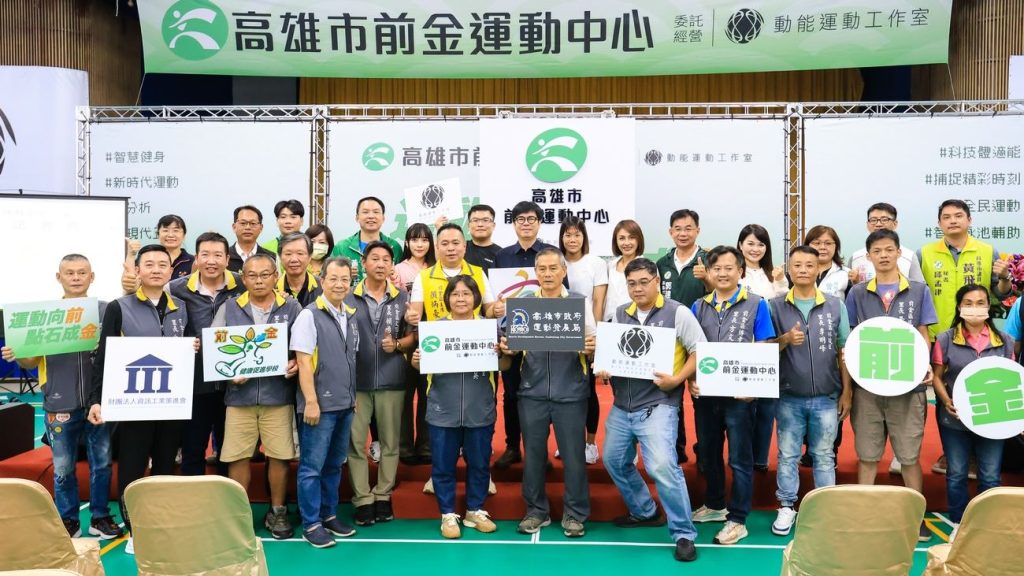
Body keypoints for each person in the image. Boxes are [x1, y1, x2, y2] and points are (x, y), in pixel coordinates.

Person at [0, 255, 122, 540]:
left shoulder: (106, 310)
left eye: (82, 272)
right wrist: (17, 354)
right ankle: (68, 520)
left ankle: (100, 517)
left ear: (92, 277)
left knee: (102, 463)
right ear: (59, 277)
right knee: (63, 467)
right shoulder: (45, 316)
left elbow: (119, 350)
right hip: (58, 401)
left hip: (99, 403)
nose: (76, 277)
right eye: (70, 273)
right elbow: (30, 361)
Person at [87, 244, 195, 554]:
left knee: (164, 466)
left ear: (171, 271)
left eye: (162, 264)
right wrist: (97, 399)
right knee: (132, 468)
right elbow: (104, 356)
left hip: (171, 404)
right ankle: (136, 528)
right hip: (133, 406)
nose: (156, 269)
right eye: (149, 264)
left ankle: (158, 523)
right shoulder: (119, 307)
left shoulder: (181, 307)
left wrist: (194, 348)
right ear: (137, 270)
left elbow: (185, 349)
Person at [595, 257, 705, 563]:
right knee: (614, 460)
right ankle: (645, 510)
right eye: (632, 283)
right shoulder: (620, 313)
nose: (638, 288)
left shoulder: (677, 312)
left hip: (659, 403)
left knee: (662, 466)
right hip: (622, 405)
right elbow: (610, 353)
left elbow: (699, 350)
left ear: (657, 281)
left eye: (644, 282)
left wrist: (678, 380)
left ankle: (683, 533)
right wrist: (603, 366)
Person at [846, 229, 939, 542]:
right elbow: (852, 337)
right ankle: (863, 515)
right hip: (868, 387)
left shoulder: (918, 290)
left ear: (899, 252)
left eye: (889, 249)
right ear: (868, 256)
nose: (883, 255)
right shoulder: (858, 293)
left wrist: (925, 363)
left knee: (909, 456)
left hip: (908, 387)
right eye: (877, 251)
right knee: (867, 454)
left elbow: (923, 331)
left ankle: (916, 515)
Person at [500, 248, 596, 538]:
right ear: (535, 273)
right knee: (533, 456)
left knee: (574, 457)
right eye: (542, 269)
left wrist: (591, 348)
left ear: (564, 271)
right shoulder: (524, 304)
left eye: (554, 268)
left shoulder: (579, 303)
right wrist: (508, 347)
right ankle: (535, 511)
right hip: (532, 392)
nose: (548, 274)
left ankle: (575, 513)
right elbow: (512, 345)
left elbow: (594, 345)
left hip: (571, 393)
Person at [211, 253, 302, 540]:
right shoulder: (229, 307)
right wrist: (228, 374)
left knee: (279, 456)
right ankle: (239, 515)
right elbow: (215, 349)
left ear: (276, 277)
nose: (259, 280)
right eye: (252, 275)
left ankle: (278, 511)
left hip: (279, 396)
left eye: (265, 274)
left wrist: (296, 363)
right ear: (244, 278)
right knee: (238, 457)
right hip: (240, 398)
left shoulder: (292, 306)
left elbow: (304, 346)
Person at [918, 199, 1012, 476]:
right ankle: (951, 451)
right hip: (938, 335)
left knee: (979, 388)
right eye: (946, 217)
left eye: (958, 215)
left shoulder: (987, 251)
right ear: (939, 223)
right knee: (944, 393)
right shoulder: (925, 253)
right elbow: (918, 294)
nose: (952, 221)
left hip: (978, 333)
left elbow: (1001, 293)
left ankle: (977, 452)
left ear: (969, 220)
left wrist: (1004, 277)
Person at [690, 245, 776, 546]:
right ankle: (715, 505)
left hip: (740, 398)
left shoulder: (756, 303)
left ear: (741, 271)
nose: (723, 273)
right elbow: (690, 348)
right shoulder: (698, 306)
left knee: (740, 459)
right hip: (706, 396)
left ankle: (738, 519)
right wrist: (692, 380)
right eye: (717, 268)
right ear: (709, 273)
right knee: (709, 453)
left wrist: (754, 388)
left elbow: (765, 345)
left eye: (729, 268)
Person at [411, 275, 509, 539]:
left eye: (466, 294)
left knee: (479, 463)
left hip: (480, 408)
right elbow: (419, 366)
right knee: (443, 465)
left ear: (476, 298)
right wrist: (417, 360)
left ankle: (474, 510)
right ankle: (447, 514)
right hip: (443, 409)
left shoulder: (489, 328)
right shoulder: (435, 329)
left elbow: (505, 366)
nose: (461, 299)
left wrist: (503, 353)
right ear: (447, 299)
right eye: (455, 294)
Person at [768, 245, 852, 537]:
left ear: (818, 269)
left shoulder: (835, 305)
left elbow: (844, 350)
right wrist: (784, 339)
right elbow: (762, 349)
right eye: (797, 265)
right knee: (788, 454)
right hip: (788, 396)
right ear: (788, 269)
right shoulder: (774, 306)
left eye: (809, 265)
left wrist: (847, 392)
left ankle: (824, 508)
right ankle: (786, 506)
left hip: (827, 396)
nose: (803, 270)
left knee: (824, 454)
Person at [932, 284, 1016, 537]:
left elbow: (1012, 379)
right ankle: (958, 523)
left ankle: (987, 524)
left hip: (993, 420)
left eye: (980, 303)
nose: (974, 308)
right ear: (959, 307)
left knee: (990, 475)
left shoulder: (1004, 341)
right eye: (968, 303)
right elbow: (937, 376)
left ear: (989, 306)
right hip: (955, 420)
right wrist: (946, 400)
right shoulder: (946, 339)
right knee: (957, 472)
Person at [289, 257, 359, 548]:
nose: (339, 284)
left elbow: (349, 359)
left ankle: (329, 515)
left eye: (345, 280)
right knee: (311, 468)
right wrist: (311, 401)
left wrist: (352, 398)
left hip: (345, 403)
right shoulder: (309, 315)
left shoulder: (349, 314)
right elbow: (303, 362)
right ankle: (311, 523)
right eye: (333, 279)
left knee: (333, 465)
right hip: (319, 406)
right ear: (322, 281)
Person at [346, 241, 415, 527]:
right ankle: (362, 498)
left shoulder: (404, 297)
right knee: (355, 442)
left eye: (386, 259)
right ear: (364, 263)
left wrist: (397, 344)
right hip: (356, 382)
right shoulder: (348, 297)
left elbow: (414, 336)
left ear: (392, 265)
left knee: (390, 442)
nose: (380, 264)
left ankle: (383, 494)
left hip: (392, 379)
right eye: (374, 258)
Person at [169, 232, 244, 476]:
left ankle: (225, 495)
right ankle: (193, 497)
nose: (211, 261)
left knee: (229, 452)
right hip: (194, 383)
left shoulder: (243, 284)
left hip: (233, 383)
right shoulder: (176, 289)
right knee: (193, 448)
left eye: (218, 255)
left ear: (227, 259)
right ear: (196, 258)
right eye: (205, 255)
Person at [493, 201, 558, 469]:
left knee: (541, 395)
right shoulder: (502, 256)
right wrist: (496, 307)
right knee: (511, 394)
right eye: (520, 219)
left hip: (542, 335)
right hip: (511, 335)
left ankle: (538, 450)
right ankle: (512, 447)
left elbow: (562, 293)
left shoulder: (551, 254)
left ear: (540, 222)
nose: (526, 223)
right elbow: (495, 296)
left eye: (532, 218)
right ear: (514, 223)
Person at [657, 209, 710, 464]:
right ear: (670, 232)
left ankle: (704, 451)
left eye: (688, 228)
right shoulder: (662, 263)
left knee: (702, 398)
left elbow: (721, 290)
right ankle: (676, 449)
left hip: (701, 339)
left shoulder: (707, 260)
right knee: (671, 397)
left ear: (698, 230)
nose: (683, 233)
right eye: (678, 229)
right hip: (668, 342)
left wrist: (707, 278)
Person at [737, 223, 788, 473]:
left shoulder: (774, 274)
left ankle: (760, 458)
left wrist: (779, 282)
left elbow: (783, 305)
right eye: (750, 243)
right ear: (740, 245)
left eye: (760, 244)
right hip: (741, 348)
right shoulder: (735, 273)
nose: (755, 249)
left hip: (769, 347)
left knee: (767, 407)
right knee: (741, 408)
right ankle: (742, 456)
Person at [560, 216, 607, 464]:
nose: (572, 239)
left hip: (586, 334)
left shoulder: (595, 263)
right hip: (559, 332)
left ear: (584, 237)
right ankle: (569, 441)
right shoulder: (556, 261)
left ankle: (590, 444)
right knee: (564, 392)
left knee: (588, 391)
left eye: (577, 234)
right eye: (567, 234)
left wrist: (595, 338)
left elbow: (598, 302)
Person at [392, 223, 435, 465]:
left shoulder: (436, 268)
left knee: (429, 392)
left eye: (425, 239)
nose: (420, 244)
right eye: (415, 239)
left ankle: (426, 446)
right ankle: (405, 446)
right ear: (407, 243)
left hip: (434, 338)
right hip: (406, 336)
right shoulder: (398, 270)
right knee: (405, 393)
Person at [332, 196, 403, 284]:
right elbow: (329, 277)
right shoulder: (342, 247)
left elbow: (401, 279)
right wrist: (344, 275)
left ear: (383, 218)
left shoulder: (394, 247)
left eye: (376, 212)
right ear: (357, 217)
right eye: (365, 212)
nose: (371, 216)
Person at [848, 203, 925, 284]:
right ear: (867, 225)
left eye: (884, 219)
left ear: (895, 224)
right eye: (873, 220)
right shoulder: (855, 257)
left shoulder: (909, 256)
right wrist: (856, 282)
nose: (878, 224)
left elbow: (919, 288)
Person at [120, 214, 193, 293]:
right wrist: (131, 255)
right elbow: (130, 284)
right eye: (165, 230)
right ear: (158, 234)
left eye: (176, 230)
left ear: (184, 235)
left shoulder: (193, 262)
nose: (170, 235)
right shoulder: (145, 259)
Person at [603, 219, 645, 322]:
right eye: (622, 238)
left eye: (631, 238)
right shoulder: (610, 266)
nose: (626, 243)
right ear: (616, 241)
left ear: (638, 240)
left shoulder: (647, 266)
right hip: (609, 322)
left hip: (634, 322)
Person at [276, 232, 323, 308]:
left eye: (300, 253)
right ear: (280, 257)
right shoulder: (272, 289)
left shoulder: (323, 287)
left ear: (310, 257)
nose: (294, 259)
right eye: (288, 254)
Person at [804, 225, 851, 298]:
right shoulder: (797, 272)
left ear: (836, 246)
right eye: (817, 243)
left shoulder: (847, 274)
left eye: (828, 243)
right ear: (807, 246)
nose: (822, 247)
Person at [227, 205, 276, 273]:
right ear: (234, 227)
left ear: (261, 228)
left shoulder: (271, 257)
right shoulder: (225, 257)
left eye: (253, 223)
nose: (248, 227)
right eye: (243, 223)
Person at [464, 204, 502, 272]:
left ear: (493, 225)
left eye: (485, 220)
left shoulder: (501, 254)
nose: (480, 224)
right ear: (468, 225)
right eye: (475, 220)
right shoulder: (460, 249)